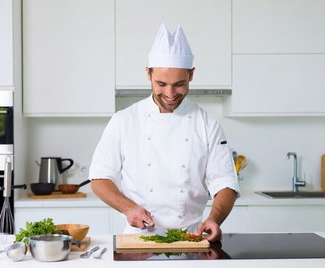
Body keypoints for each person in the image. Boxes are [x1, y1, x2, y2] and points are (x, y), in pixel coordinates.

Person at [89, 24, 240, 242]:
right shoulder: (124, 120)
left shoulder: (207, 124)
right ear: (148, 73)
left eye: (179, 84)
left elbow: (225, 182)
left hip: (191, 237)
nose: (170, 94)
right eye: (161, 84)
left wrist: (214, 219)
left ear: (191, 75)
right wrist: (128, 208)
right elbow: (100, 178)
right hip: (137, 240)